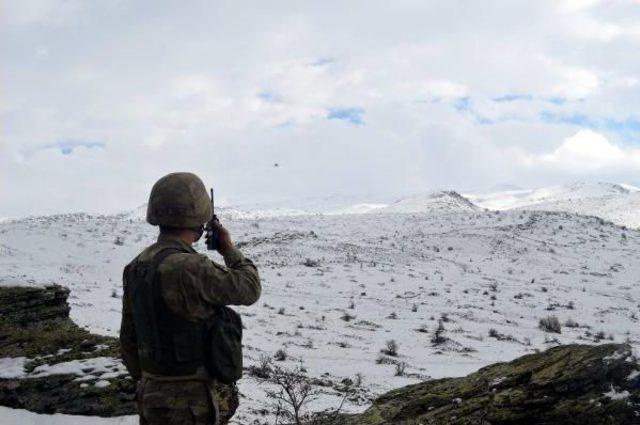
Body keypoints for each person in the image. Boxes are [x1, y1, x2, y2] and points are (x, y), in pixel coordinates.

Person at [120, 172, 261, 424]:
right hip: (189, 401)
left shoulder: (136, 267)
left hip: (150, 394)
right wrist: (228, 249)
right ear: (199, 215)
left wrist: (150, 381)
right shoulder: (190, 266)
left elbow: (129, 338)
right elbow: (249, 288)